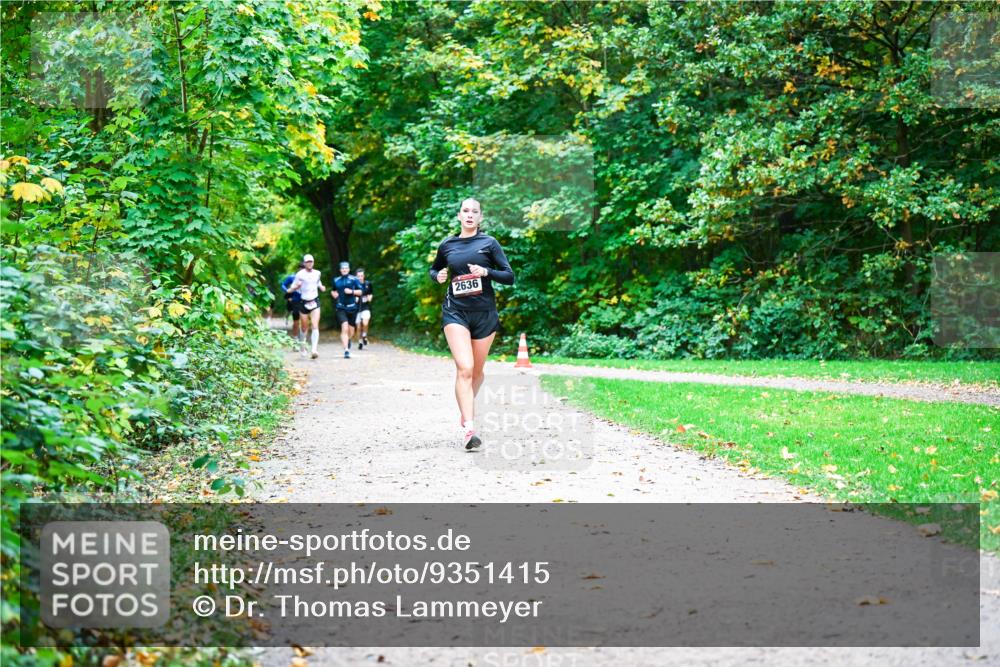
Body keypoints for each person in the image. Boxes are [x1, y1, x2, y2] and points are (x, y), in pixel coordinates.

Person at [429, 197, 514, 450]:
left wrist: (486, 272)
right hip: (456, 312)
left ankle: (465, 409)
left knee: (477, 372)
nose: (469, 215)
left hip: (485, 314)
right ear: (459, 216)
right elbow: (434, 270)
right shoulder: (447, 245)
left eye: (474, 212)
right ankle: (469, 429)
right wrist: (438, 275)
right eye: (465, 211)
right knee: (464, 368)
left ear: (480, 218)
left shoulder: (489, 243)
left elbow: (509, 276)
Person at [286, 254, 325, 359]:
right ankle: (302, 347)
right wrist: (296, 287)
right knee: (304, 328)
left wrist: (322, 287)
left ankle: (314, 350)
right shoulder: (299, 274)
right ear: (304, 263)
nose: (309, 263)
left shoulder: (318, 273)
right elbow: (290, 289)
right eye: (307, 262)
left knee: (315, 325)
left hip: (315, 301)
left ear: (313, 262)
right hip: (303, 302)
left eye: (311, 261)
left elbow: (318, 283)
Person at [331, 261, 362, 359]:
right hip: (341, 307)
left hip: (352, 307)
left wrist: (351, 292)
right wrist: (334, 294)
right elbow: (333, 290)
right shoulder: (336, 280)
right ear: (340, 270)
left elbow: (361, 292)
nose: (344, 270)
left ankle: (347, 340)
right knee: (344, 328)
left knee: (351, 331)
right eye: (342, 268)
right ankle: (346, 351)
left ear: (348, 269)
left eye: (346, 268)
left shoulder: (354, 279)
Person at [281, 263, 305, 354]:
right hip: (295, 301)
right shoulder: (292, 278)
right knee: (296, 322)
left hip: (305, 301)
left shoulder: (308, 278)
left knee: (304, 322)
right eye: (300, 270)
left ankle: (302, 343)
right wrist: (288, 292)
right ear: (298, 270)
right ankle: (295, 341)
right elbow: (283, 285)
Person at [355, 267, 373, 350]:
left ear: (364, 276)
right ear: (356, 276)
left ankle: (364, 335)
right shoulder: (354, 285)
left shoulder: (368, 284)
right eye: (358, 276)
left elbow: (370, 293)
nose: (360, 277)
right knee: (358, 327)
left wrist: (370, 297)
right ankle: (360, 341)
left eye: (361, 276)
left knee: (365, 323)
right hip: (356, 308)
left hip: (365, 307)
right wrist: (354, 299)